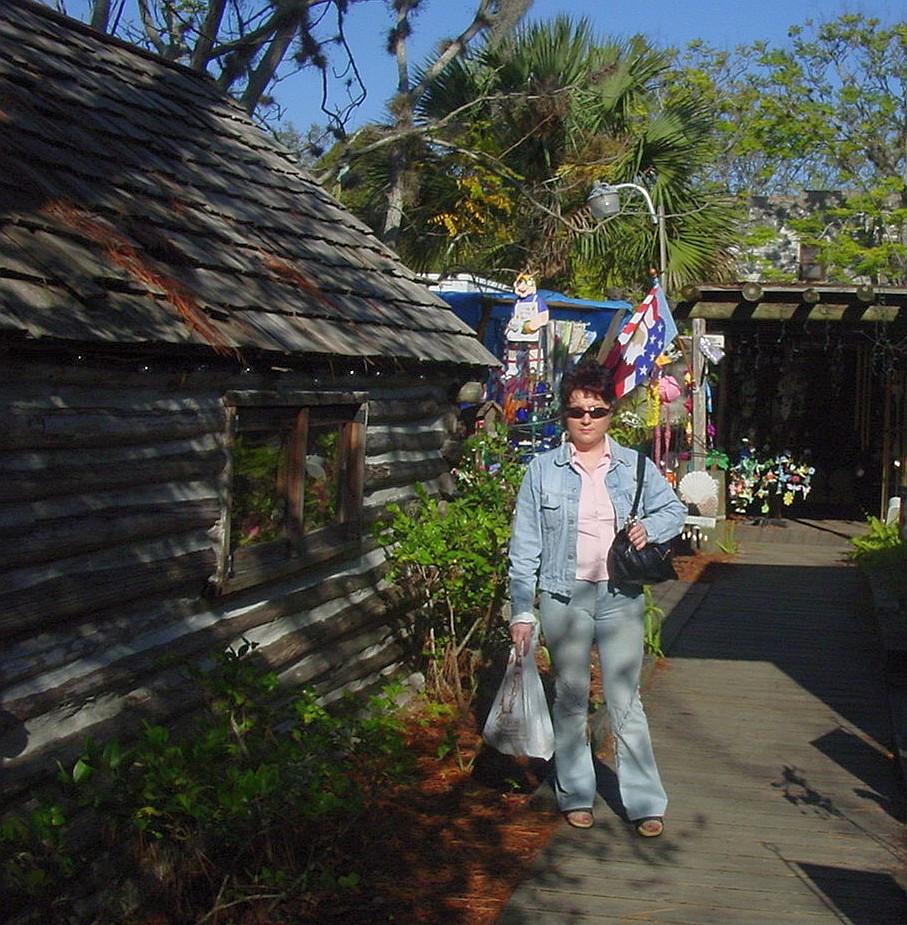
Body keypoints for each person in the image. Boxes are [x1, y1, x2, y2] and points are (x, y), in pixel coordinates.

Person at [508, 360, 686, 836]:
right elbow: (524, 547)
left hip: (619, 596)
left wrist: (650, 527)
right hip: (562, 598)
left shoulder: (635, 466)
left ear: (610, 413)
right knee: (570, 697)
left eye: (597, 410)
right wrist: (521, 611)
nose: (586, 420)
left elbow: (674, 510)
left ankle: (646, 802)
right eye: (576, 411)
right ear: (564, 415)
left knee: (626, 699)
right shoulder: (541, 472)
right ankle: (576, 794)